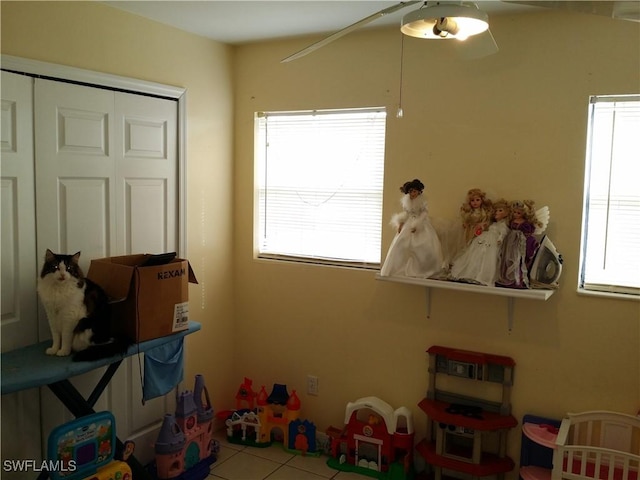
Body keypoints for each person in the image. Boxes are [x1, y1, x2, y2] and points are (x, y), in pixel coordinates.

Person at [380, 179, 444, 279]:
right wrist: (401, 223)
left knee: (424, 246)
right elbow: (406, 213)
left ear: (419, 191)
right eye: (410, 191)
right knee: (402, 244)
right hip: (409, 223)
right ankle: (401, 270)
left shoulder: (422, 202)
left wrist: (417, 224)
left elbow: (424, 213)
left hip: (421, 223)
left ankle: (424, 270)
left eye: (414, 191)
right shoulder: (407, 202)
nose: (412, 194)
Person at [450, 199, 511, 286]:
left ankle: (482, 275)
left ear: (506, 213)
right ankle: (470, 273)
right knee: (475, 254)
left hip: (492, 242)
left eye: (500, 211)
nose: (497, 212)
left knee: (487, 257)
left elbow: (503, 232)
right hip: (484, 238)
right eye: (496, 211)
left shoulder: (502, 224)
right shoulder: (493, 223)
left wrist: (500, 239)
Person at [496, 200, 542, 288]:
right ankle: (508, 279)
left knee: (518, 260)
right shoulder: (512, 221)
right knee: (508, 259)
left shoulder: (525, 223)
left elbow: (528, 234)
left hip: (519, 243)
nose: (516, 214)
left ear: (523, 214)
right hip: (510, 243)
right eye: (514, 212)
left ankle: (517, 280)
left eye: (518, 213)